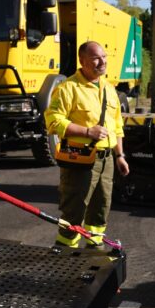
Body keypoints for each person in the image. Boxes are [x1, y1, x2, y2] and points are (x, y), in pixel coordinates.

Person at [45, 41, 130, 248]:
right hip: (80, 160)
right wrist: (87, 131)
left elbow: (117, 126)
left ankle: (95, 257)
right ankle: (65, 261)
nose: (102, 62)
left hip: (107, 160)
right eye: (95, 58)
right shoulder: (68, 88)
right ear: (82, 61)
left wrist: (119, 156)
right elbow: (53, 121)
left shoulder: (110, 90)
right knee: (74, 213)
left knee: (100, 211)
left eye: (104, 57)